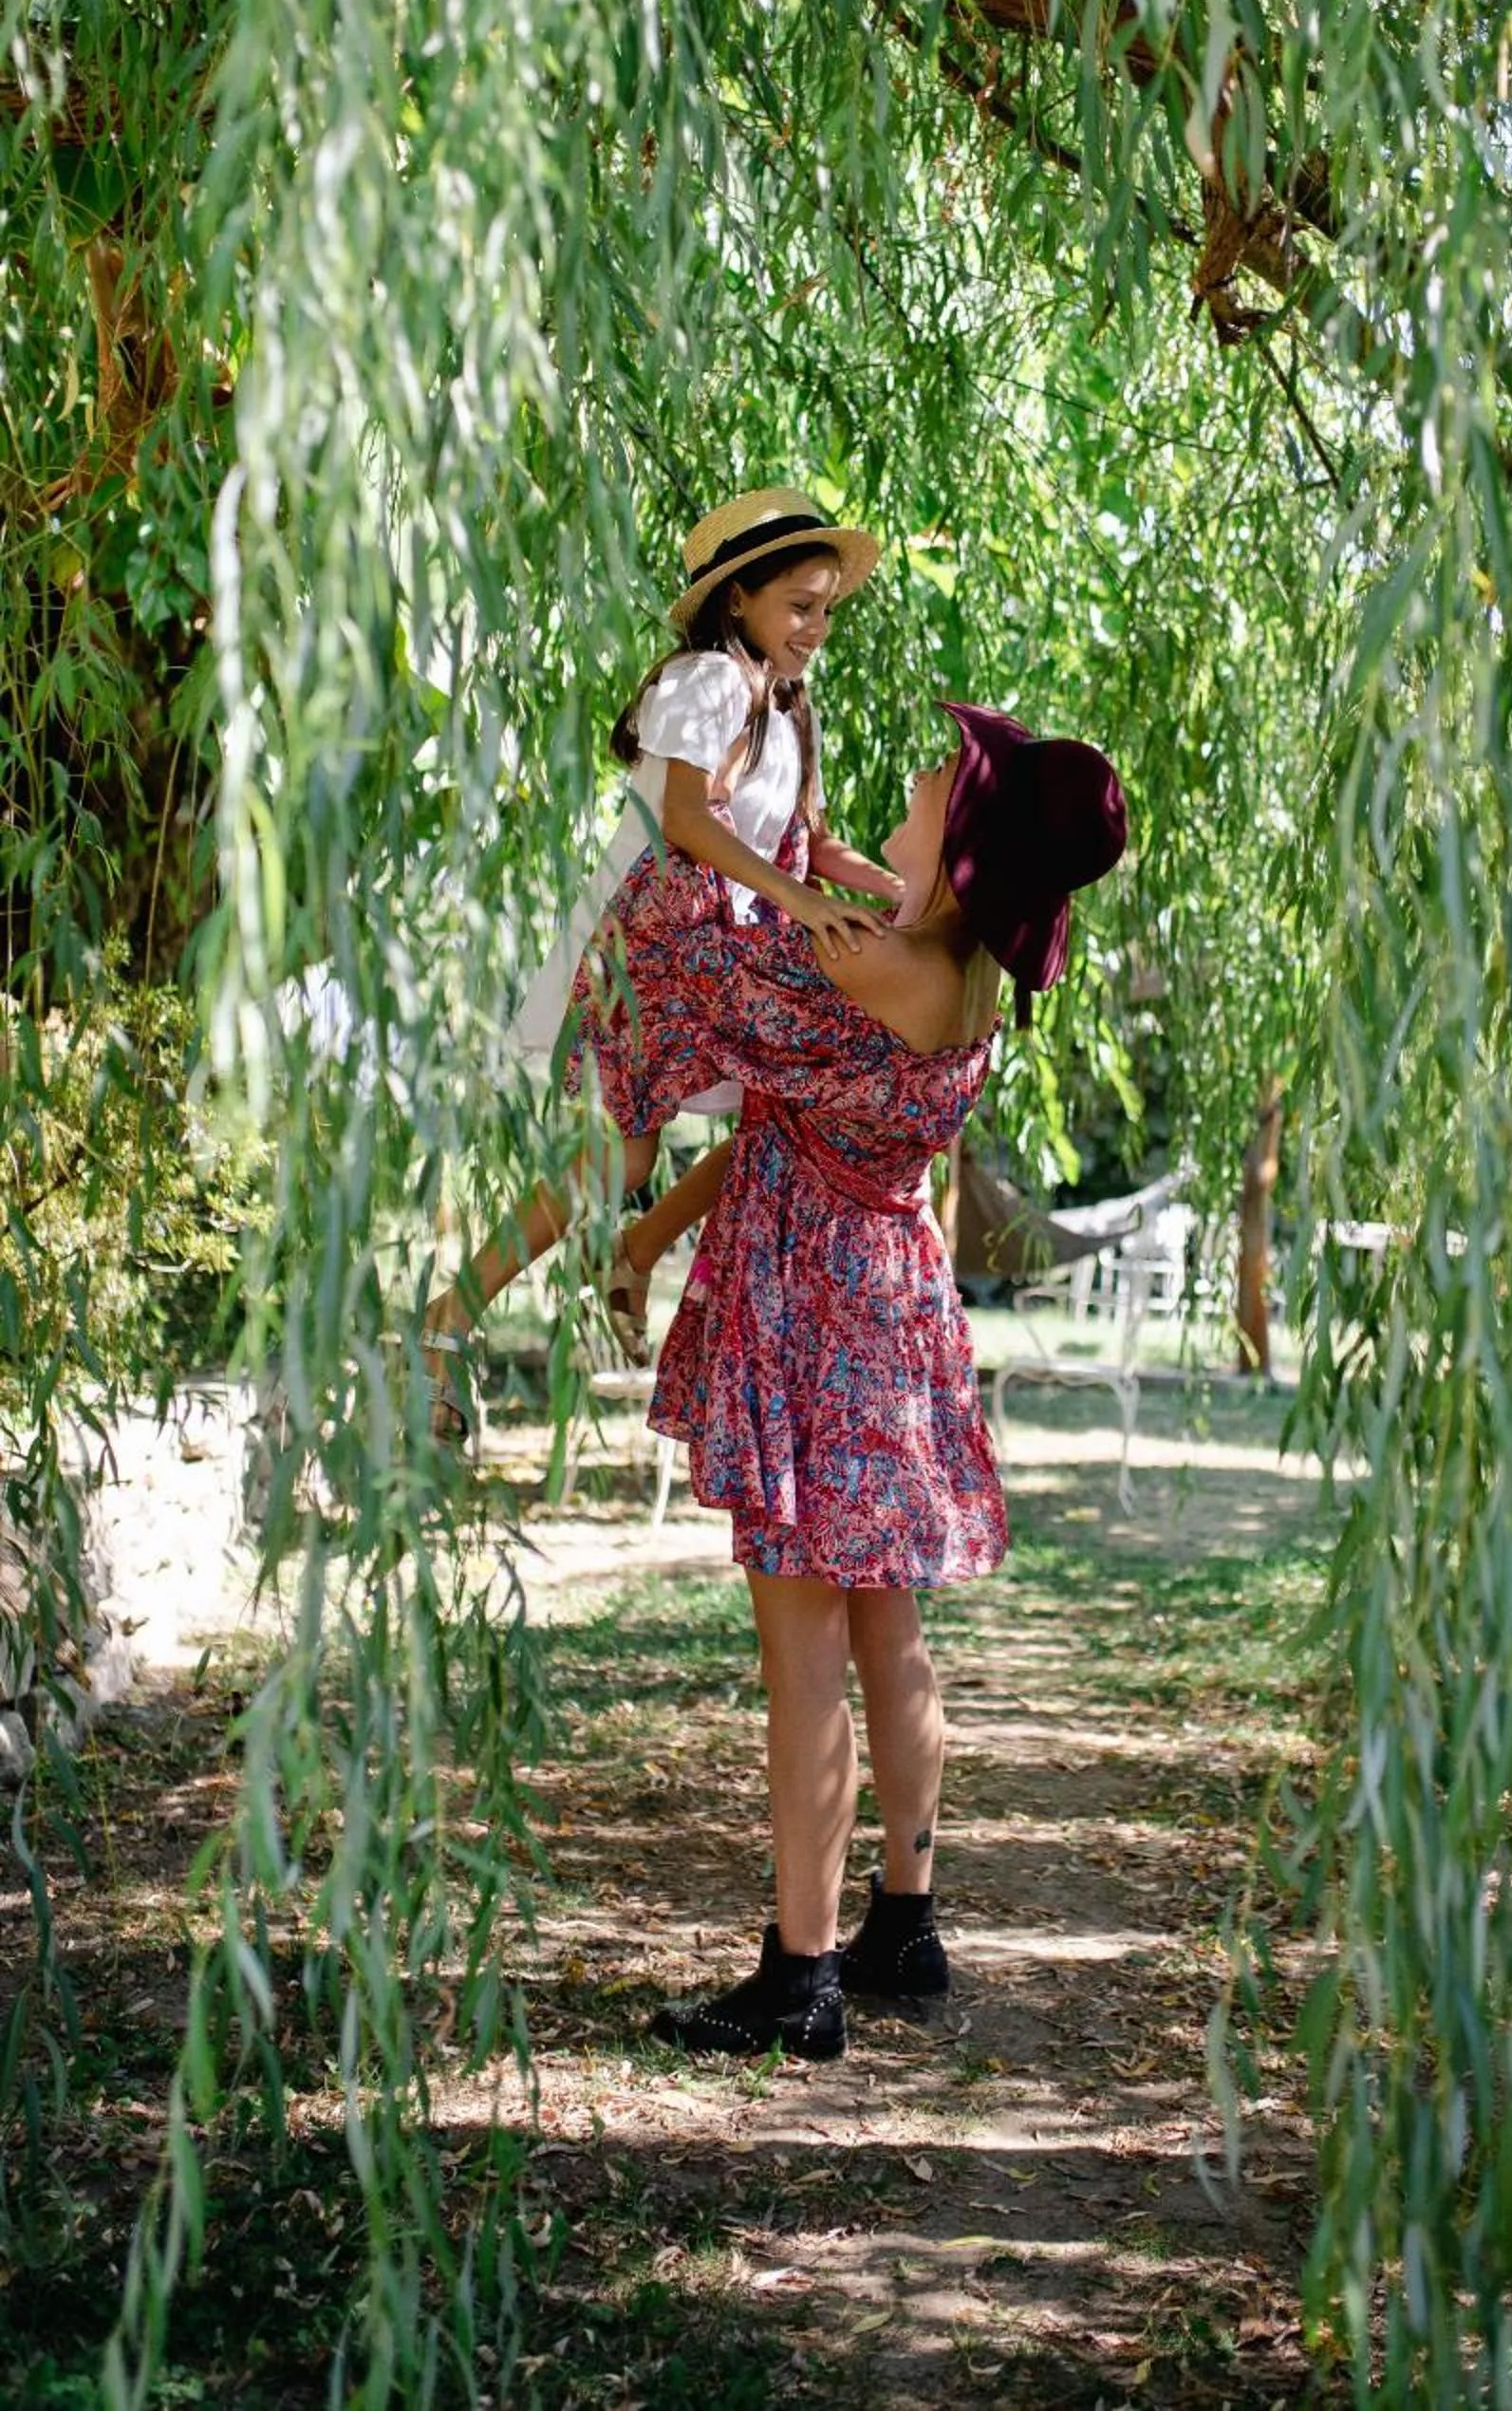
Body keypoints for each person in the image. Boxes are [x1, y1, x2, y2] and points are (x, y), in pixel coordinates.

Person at [587, 701, 1128, 2061]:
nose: (928, 766)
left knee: (803, 1650)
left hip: (815, 1312)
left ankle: (802, 1975)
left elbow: (699, 980)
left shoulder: (873, 968)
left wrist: (696, 818)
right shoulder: (953, 973)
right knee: (890, 1632)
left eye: (949, 776)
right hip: (884, 1304)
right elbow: (786, 1112)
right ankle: (904, 1917)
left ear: (965, 856)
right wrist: (817, 863)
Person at [423, 488, 898, 1436]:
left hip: (731, 942)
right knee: (634, 1150)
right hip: (659, 940)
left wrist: (899, 897)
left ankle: (630, 1248)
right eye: (798, 607)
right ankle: (452, 1316)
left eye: (825, 609)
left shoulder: (792, 705)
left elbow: (812, 841)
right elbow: (685, 820)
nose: (814, 627)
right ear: (738, 603)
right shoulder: (709, 680)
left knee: (792, 1119)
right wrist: (802, 903)